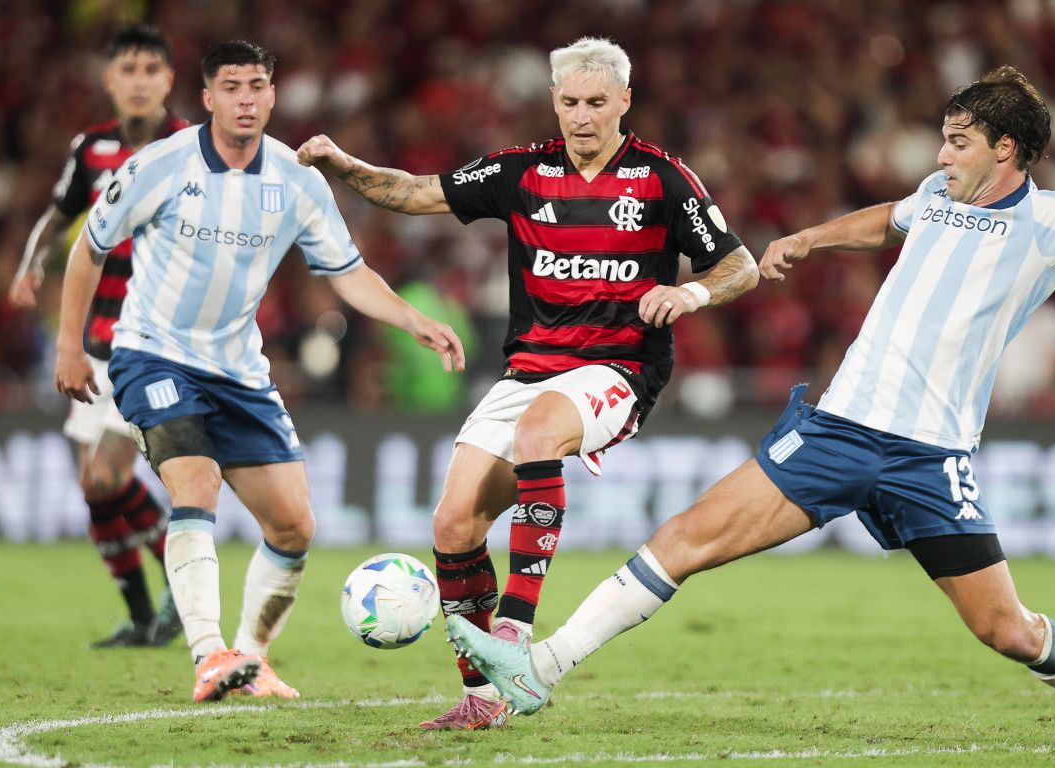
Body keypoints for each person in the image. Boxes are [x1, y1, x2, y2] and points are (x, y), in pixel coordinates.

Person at [448, 66, 1055, 749]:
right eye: (943, 138)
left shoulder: (1052, 222)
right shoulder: (936, 195)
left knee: (1006, 630)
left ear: (1006, 150)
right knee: (685, 539)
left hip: (931, 458)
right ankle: (539, 669)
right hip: (839, 430)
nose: (941, 155)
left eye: (959, 141)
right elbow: (886, 222)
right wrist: (809, 238)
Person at [297, 36, 759, 729]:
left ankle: (514, 633)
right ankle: (483, 697)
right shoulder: (522, 172)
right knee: (454, 523)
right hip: (530, 368)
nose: (581, 116)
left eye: (597, 103)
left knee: (539, 428)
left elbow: (740, 265)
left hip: (619, 368)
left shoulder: (663, 178)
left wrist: (689, 296)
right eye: (569, 101)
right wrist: (342, 165)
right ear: (554, 100)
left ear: (624, 102)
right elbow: (416, 194)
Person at [55, 40, 465, 703]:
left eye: (257, 86)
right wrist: (69, 348)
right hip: (153, 353)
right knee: (196, 481)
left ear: (272, 95)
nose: (246, 99)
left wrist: (410, 319)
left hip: (239, 371)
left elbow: (347, 272)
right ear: (208, 97)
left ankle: (249, 660)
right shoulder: (158, 165)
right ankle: (206, 653)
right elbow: (90, 246)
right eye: (232, 87)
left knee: (294, 528)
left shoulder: (297, 180)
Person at [9, 24, 188, 649]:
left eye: (151, 69)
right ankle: (146, 615)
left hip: (155, 341)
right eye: (127, 70)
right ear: (109, 80)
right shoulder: (91, 149)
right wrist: (33, 263)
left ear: (168, 80)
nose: (139, 81)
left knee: (104, 479)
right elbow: (57, 219)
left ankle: (181, 587)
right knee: (94, 491)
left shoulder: (191, 148)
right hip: (94, 340)